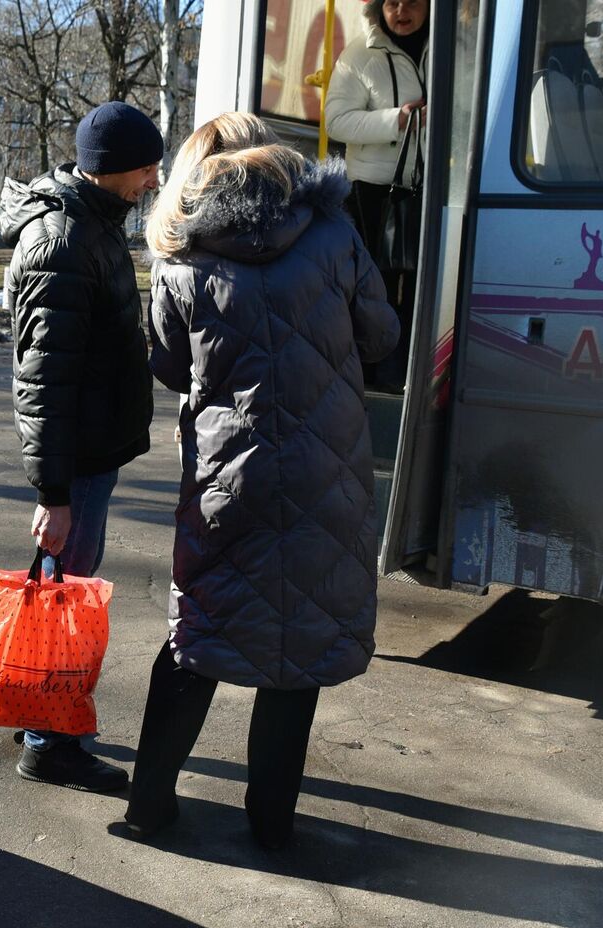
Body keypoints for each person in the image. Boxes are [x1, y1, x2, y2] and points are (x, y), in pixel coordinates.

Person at [126, 113, 399, 849]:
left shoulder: (181, 256)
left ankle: (148, 804)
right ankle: (271, 821)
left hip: (228, 476)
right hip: (327, 472)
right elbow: (381, 336)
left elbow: (167, 364)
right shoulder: (334, 232)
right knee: (300, 635)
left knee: (200, 631)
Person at [0, 100, 164, 793]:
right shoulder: (64, 243)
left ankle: (32, 707)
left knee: (53, 586)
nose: (156, 179)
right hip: (77, 462)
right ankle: (51, 742)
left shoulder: (92, 225)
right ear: (111, 169)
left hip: (91, 450)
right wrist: (53, 495)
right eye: (147, 166)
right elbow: (44, 384)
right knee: (65, 593)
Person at [324, 0, 427, 392]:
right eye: (392, 3)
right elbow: (336, 121)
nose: (402, 11)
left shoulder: (453, 48)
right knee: (372, 293)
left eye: (413, 2)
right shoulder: (358, 55)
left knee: (418, 292)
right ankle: (368, 385)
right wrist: (397, 120)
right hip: (372, 194)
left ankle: (406, 382)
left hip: (428, 189)